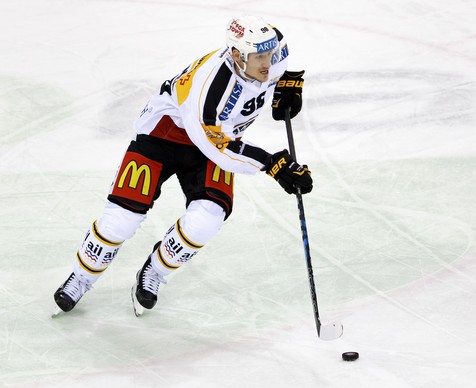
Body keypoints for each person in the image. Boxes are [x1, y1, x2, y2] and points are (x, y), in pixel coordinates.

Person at [53, 16, 313, 317]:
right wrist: (273, 165)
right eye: (259, 58)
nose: (267, 63)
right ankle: (82, 277)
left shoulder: (271, 51)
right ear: (237, 56)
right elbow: (220, 150)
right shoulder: (210, 91)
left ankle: (154, 271)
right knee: (120, 220)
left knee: (207, 219)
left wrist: (289, 84)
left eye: (269, 55)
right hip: (162, 136)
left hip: (214, 140)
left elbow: (283, 62)